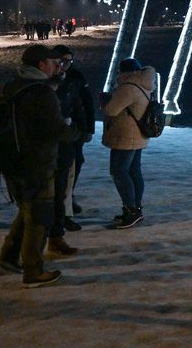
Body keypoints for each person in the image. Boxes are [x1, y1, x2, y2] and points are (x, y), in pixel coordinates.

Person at [0, 44, 81, 287]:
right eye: (52, 63)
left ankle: (9, 256)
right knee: (39, 217)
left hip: (12, 160)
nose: (57, 67)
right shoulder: (41, 92)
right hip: (37, 162)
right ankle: (33, 270)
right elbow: (54, 129)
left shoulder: (11, 86)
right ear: (41, 65)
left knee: (27, 210)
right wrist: (74, 132)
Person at [101, 57, 156, 228]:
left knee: (119, 171)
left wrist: (106, 100)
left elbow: (111, 110)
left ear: (125, 73)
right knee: (133, 171)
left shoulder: (128, 88)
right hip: (138, 135)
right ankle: (136, 208)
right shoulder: (144, 84)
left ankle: (131, 210)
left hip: (125, 137)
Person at [53, 45, 95, 229]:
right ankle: (60, 211)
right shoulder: (50, 78)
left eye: (69, 61)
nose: (66, 64)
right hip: (56, 133)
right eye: (62, 60)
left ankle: (67, 203)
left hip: (73, 131)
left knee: (73, 166)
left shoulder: (76, 77)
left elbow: (85, 102)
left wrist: (88, 128)